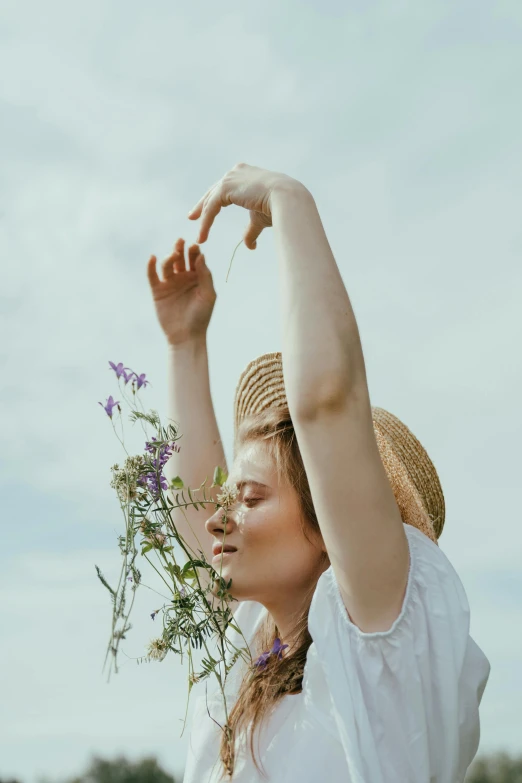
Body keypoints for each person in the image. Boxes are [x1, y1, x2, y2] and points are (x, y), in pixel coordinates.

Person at [146, 163, 491, 782]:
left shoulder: (380, 657)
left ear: (331, 522)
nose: (221, 517)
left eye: (251, 497)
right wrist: (184, 343)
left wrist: (289, 200)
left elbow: (327, 403)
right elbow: (195, 506)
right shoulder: (256, 655)